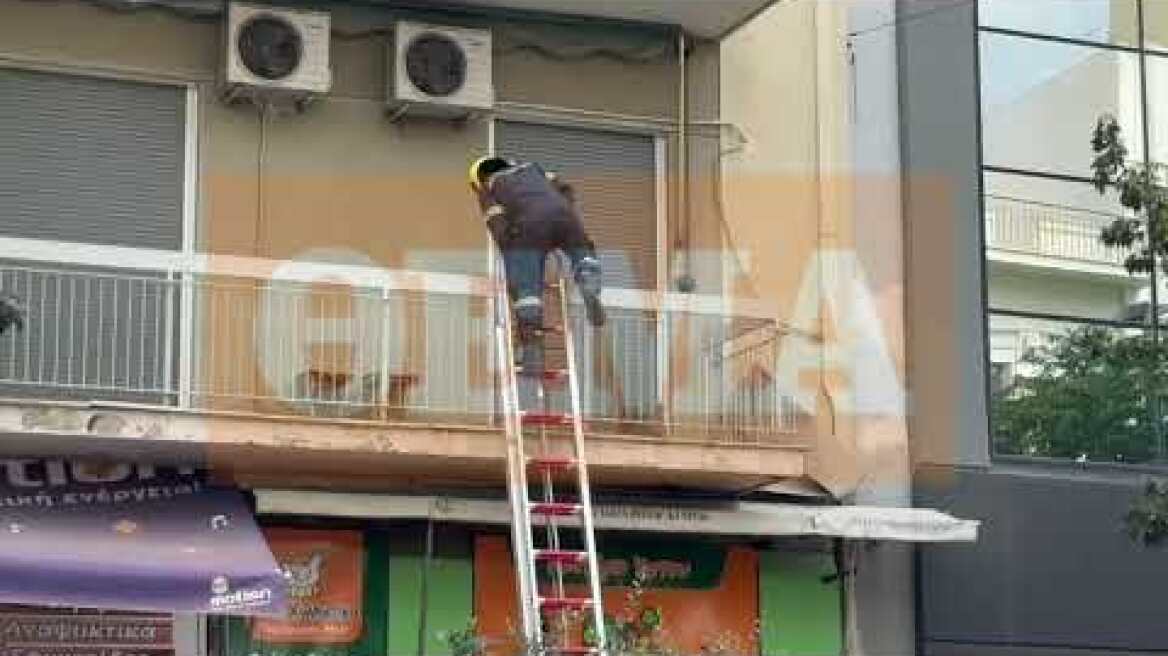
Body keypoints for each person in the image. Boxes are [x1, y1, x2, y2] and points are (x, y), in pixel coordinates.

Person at [468, 156, 606, 333]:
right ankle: (589, 282)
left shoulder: (488, 188)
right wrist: (565, 212)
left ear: (479, 179)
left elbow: (496, 220)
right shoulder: (533, 168)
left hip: (529, 224)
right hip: (564, 216)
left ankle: (531, 334)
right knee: (582, 252)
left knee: (525, 280)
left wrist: (511, 248)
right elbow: (565, 189)